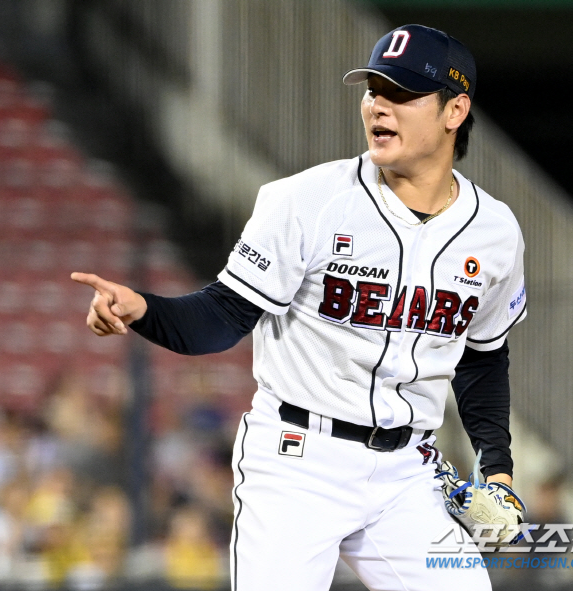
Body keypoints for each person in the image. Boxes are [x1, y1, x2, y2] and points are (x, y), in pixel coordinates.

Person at [72, 24, 526, 591]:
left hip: (407, 472)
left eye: (402, 94)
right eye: (373, 90)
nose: (379, 106)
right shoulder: (306, 201)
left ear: (455, 110)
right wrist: (144, 310)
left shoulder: (495, 231)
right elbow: (221, 319)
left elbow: (483, 356)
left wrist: (498, 468)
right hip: (298, 461)